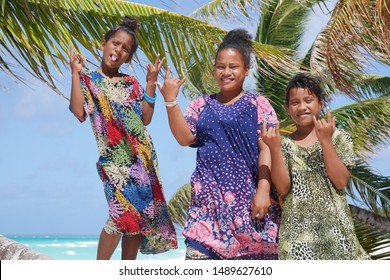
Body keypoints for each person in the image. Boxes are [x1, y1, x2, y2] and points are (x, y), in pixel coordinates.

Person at [155, 29, 282, 260]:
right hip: (206, 211)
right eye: (220, 66)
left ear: (246, 71)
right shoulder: (200, 105)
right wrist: (171, 101)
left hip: (251, 211)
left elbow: (267, 148)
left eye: (233, 67)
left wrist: (264, 189)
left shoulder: (259, 104)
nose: (226, 72)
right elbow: (185, 138)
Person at [69, 16, 177, 260]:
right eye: (115, 43)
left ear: (128, 57)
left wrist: (150, 84)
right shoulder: (87, 80)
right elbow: (78, 112)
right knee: (121, 217)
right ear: (103, 44)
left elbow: (145, 119)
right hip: (113, 161)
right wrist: (75, 74)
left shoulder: (131, 82)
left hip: (142, 161)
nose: (118, 50)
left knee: (137, 220)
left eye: (125, 48)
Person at [261, 72, 371, 260]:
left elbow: (340, 181)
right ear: (287, 108)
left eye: (308, 100)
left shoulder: (339, 137)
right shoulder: (284, 144)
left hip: (336, 235)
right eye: (295, 102)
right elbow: (283, 188)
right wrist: (275, 149)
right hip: (297, 240)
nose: (302, 107)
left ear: (321, 103)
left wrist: (326, 141)